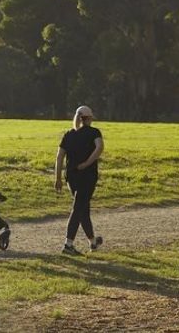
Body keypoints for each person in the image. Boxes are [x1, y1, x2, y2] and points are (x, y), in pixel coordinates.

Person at [55, 105, 104, 255]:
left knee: (83, 209)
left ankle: (93, 242)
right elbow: (100, 148)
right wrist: (87, 163)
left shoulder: (68, 135)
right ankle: (68, 244)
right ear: (88, 118)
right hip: (87, 176)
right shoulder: (94, 132)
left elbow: (59, 157)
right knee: (78, 208)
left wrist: (57, 178)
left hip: (71, 176)